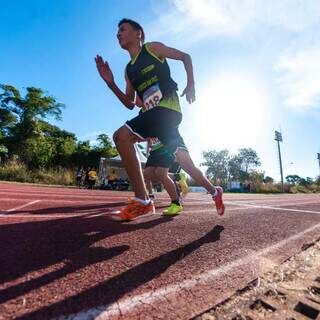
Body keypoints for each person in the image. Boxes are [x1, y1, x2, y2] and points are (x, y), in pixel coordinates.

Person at [95, 18, 225, 221]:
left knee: (121, 136)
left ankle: (143, 201)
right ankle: (215, 191)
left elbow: (185, 57)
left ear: (138, 34)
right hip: (158, 121)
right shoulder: (129, 70)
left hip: (168, 110)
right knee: (186, 162)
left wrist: (191, 84)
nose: (118, 34)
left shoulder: (152, 49)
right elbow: (130, 103)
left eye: (123, 29)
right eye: (117, 32)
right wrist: (110, 83)